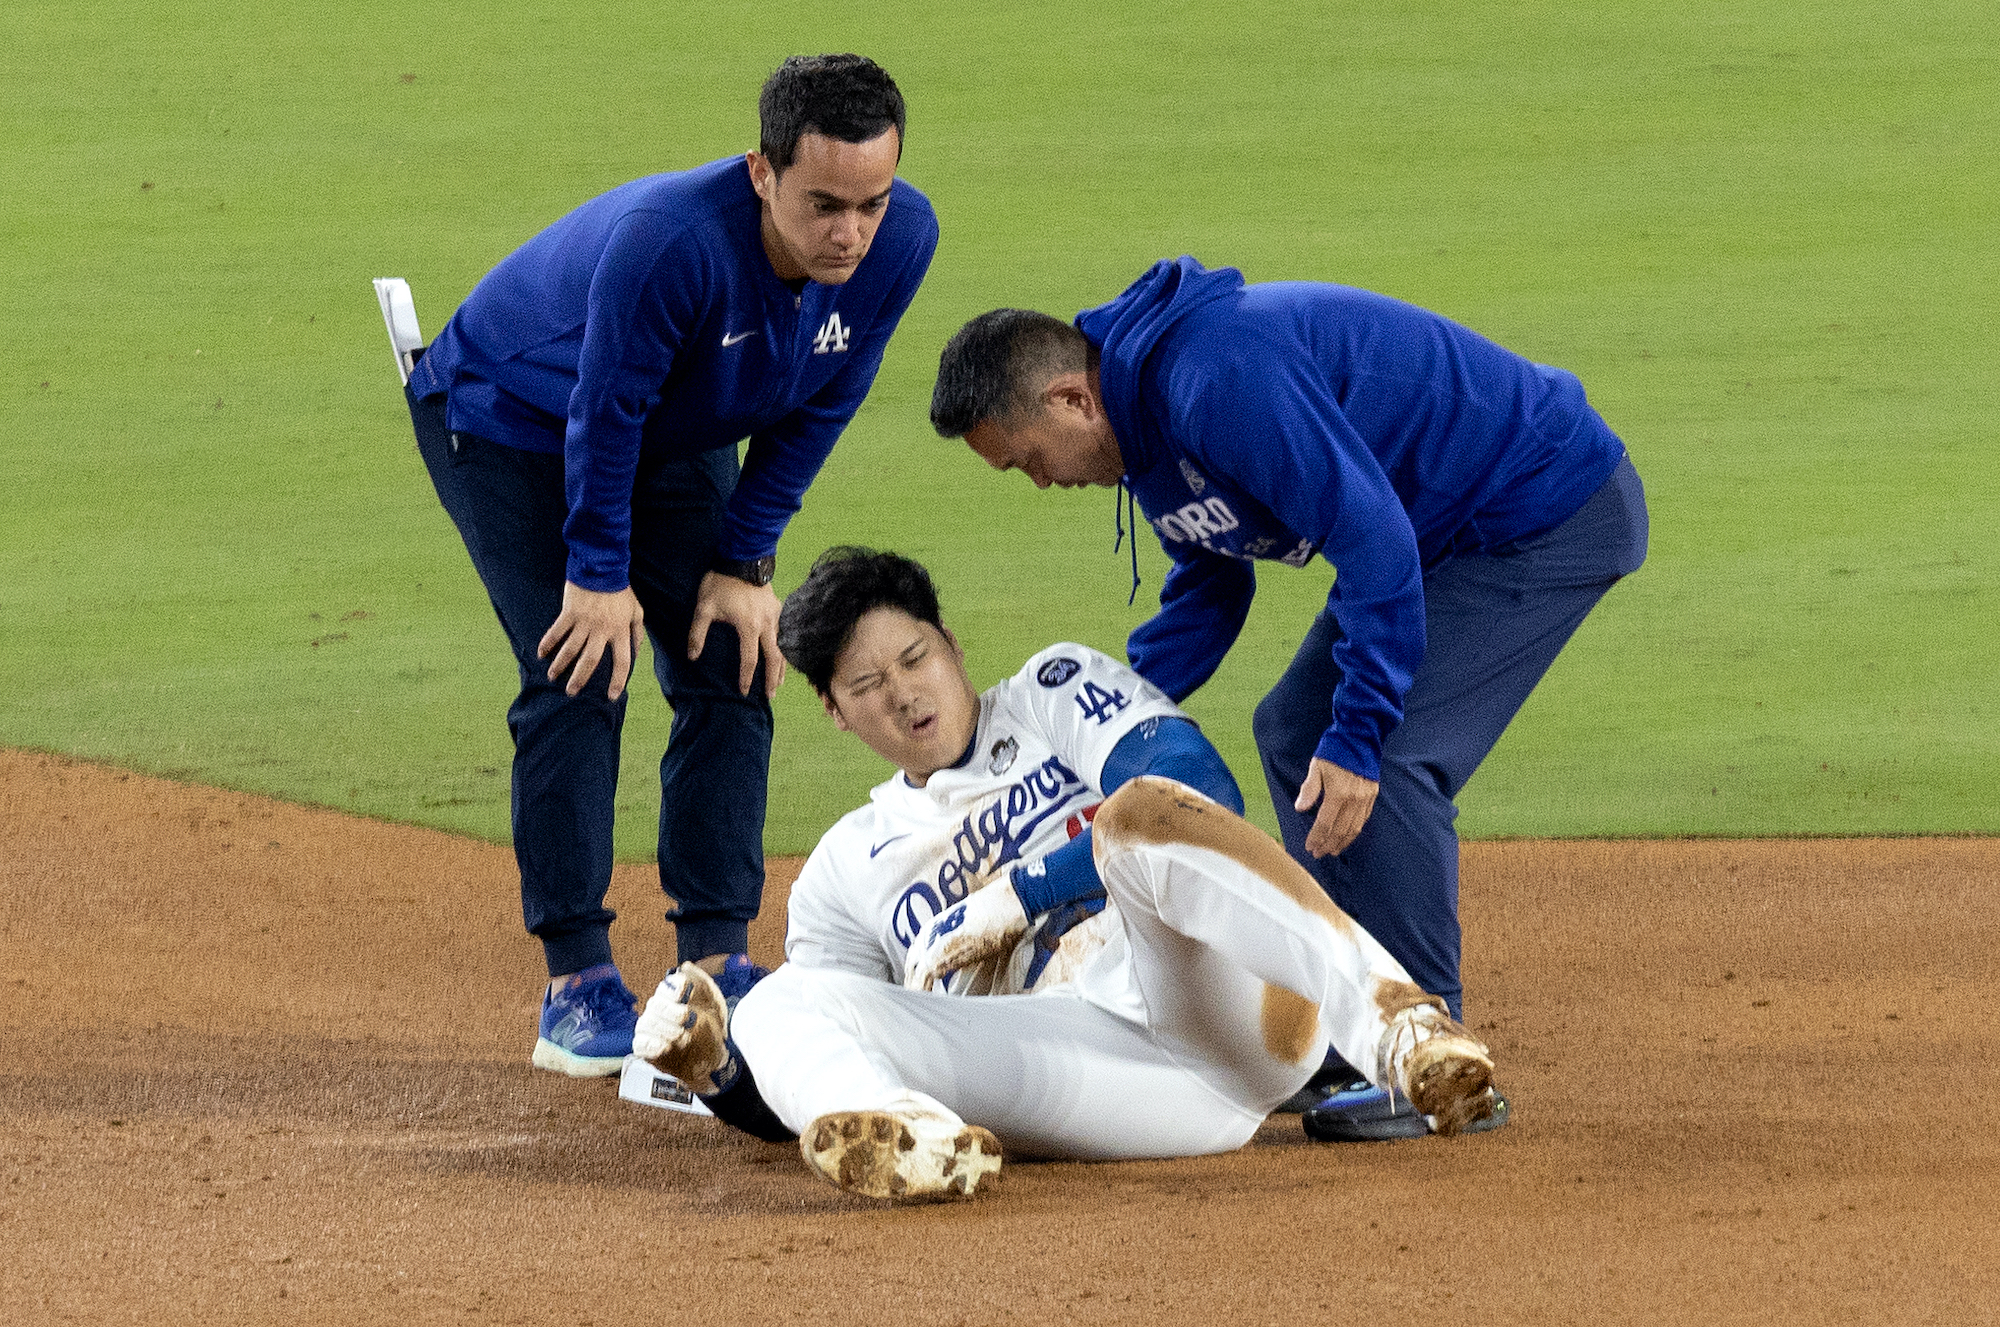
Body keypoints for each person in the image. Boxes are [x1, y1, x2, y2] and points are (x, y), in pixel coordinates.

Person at [928, 257, 1648, 1134]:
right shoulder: (1145, 432)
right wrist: (1112, 725)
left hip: (1539, 509)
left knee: (1384, 751)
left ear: (1074, 401)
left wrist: (1359, 733)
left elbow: (1374, 538)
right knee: (1293, 727)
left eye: (1029, 461)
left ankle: (1431, 1053)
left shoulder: (1214, 380)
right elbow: (1209, 584)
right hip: (1433, 534)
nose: (1041, 483)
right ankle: (1352, 1024)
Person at [631, 548, 1502, 1202]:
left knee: (1133, 814)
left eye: (914, 657)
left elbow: (1200, 793)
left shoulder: (1052, 691)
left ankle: (1398, 1028)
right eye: (865, 683)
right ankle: (921, 1140)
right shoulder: (839, 872)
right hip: (1082, 1076)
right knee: (779, 1002)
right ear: (832, 708)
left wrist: (1026, 889)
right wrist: (721, 1075)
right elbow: (826, 1047)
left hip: (1223, 1005)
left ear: (952, 644)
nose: (902, 692)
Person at [402, 56, 938, 1077]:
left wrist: (744, 558)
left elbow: (825, 396)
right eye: (823, 204)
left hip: (675, 424)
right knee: (579, 668)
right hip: (509, 415)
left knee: (735, 655)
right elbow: (601, 409)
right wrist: (597, 575)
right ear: (760, 172)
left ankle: (718, 961)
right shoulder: (675, 246)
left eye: (869, 203)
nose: (849, 233)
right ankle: (576, 983)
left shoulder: (900, 240)